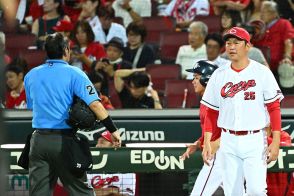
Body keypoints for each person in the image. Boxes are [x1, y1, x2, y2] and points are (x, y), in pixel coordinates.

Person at [24, 33, 121, 195]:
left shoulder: (30, 75)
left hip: (38, 141)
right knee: (81, 192)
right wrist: (113, 130)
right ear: (66, 50)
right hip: (63, 141)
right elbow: (96, 105)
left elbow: (32, 106)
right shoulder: (75, 73)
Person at [201, 27, 283, 195]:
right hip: (227, 140)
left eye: (236, 43)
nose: (231, 47)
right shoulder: (219, 74)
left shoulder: (261, 72)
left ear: (248, 46)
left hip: (254, 139)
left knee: (256, 191)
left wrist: (275, 141)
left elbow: (274, 108)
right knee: (232, 192)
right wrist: (208, 141)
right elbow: (210, 111)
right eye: (228, 43)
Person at [180, 60, 226, 195]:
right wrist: (199, 143)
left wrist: (217, 143)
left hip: (221, 153)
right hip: (223, 153)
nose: (193, 81)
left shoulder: (220, 99)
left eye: (196, 78)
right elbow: (211, 129)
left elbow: (234, 127)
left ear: (207, 79)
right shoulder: (207, 98)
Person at [253, 1, 294, 76]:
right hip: (262, 65)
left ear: (274, 13)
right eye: (261, 11)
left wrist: (287, 57)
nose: (261, 14)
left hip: (278, 65)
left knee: (286, 68)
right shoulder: (260, 27)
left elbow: (288, 41)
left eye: (264, 12)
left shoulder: (284, 23)